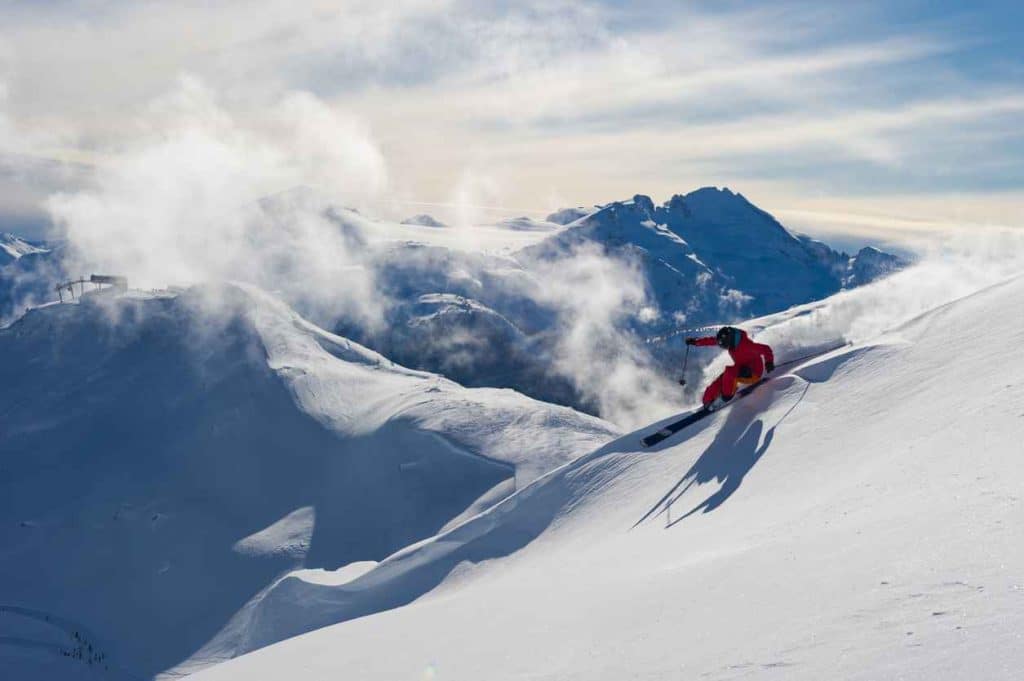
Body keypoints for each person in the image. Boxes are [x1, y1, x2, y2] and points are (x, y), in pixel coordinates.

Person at [686, 326, 775, 411]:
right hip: (741, 369)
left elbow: (765, 349)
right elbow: (712, 341)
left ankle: (726, 397)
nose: (724, 347)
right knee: (721, 380)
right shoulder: (729, 341)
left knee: (729, 373)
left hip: (754, 372)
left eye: (724, 345)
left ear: (729, 340)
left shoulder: (746, 345)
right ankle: (708, 401)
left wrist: (769, 362)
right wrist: (695, 342)